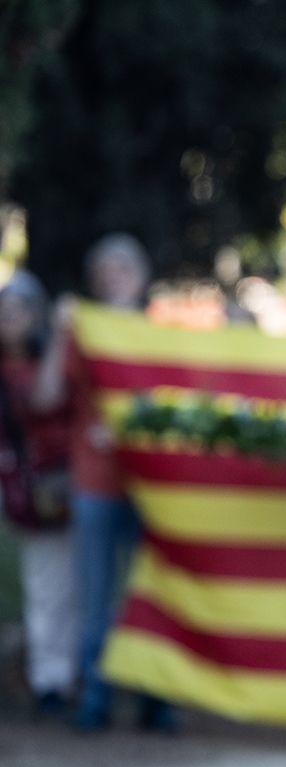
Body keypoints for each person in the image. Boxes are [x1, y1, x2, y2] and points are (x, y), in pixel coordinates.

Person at [32, 232, 174, 731]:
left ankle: (155, 700)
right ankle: (95, 696)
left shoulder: (162, 335)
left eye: (123, 268)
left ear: (141, 276)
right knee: (96, 595)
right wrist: (60, 333)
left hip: (153, 486)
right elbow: (46, 397)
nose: (115, 278)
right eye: (105, 271)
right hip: (94, 483)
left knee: (154, 591)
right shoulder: (82, 331)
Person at [0, 271, 77, 716]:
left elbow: (45, 400)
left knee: (70, 586)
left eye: (18, 311)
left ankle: (65, 676)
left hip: (61, 486)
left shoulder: (53, 358)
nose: (10, 320)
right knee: (44, 586)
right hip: (22, 488)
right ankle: (48, 677)